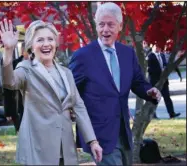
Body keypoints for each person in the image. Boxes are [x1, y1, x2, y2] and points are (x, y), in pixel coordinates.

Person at [0, 19, 102, 165]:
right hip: (38, 148)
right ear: (31, 46)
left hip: (65, 148)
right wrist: (8, 51)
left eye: (50, 39)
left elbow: (79, 107)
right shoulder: (26, 69)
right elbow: (9, 82)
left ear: (56, 44)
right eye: (40, 40)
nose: (46, 44)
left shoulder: (66, 73)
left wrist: (92, 141)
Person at [69, 2, 161, 166]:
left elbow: (138, 82)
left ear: (119, 26)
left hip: (124, 132)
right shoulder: (83, 56)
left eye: (110, 24)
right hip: (98, 135)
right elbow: (70, 90)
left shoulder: (127, 53)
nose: (105, 30)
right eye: (101, 24)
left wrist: (149, 91)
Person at [147, 44, 181, 119]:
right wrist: (160, 71)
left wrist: (165, 68)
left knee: (167, 98)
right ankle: (153, 115)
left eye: (159, 46)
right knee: (154, 99)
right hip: (155, 82)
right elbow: (150, 70)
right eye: (156, 46)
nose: (158, 48)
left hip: (164, 81)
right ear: (152, 46)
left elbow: (165, 64)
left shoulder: (162, 55)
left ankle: (172, 114)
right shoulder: (150, 56)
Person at [3, 42, 27, 133]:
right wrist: (8, 111)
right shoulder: (13, 64)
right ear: (22, 51)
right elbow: (6, 90)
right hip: (17, 105)